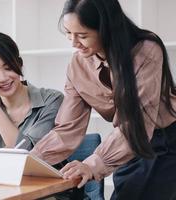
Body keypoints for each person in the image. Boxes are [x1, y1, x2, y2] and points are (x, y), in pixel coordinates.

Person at [30, 0, 176, 199]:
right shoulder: (78, 65)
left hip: (164, 140)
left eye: (82, 35)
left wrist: (91, 165)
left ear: (107, 29)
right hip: (127, 143)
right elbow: (67, 128)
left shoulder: (146, 50)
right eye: (68, 33)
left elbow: (138, 123)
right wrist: (30, 161)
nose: (73, 43)